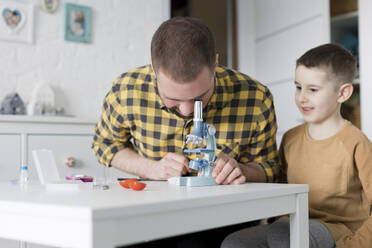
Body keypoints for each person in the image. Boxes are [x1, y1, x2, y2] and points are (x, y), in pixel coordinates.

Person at [92, 17, 279, 247]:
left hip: (222, 217)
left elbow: (270, 168)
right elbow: (105, 145)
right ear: (153, 68)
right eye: (172, 99)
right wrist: (152, 168)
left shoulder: (255, 98)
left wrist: (241, 171)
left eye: (199, 97)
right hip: (151, 212)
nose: (188, 110)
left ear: (215, 64)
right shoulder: (127, 90)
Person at [221, 43, 372, 248]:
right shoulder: (290, 139)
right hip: (290, 225)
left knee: (284, 236)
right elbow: (282, 193)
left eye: (313, 90)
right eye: (298, 87)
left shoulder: (357, 143)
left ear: (343, 94)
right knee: (234, 243)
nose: (302, 97)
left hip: (337, 230)